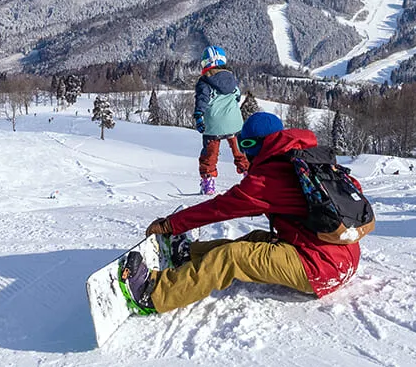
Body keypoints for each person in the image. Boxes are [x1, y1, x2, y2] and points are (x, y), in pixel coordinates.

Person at [119, 112, 361, 313]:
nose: (244, 152)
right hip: (344, 257)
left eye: (246, 144)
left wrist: (171, 225)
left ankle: (156, 293)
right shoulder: (308, 161)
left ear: (260, 144)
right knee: (256, 240)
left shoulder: (270, 177)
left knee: (233, 257)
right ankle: (189, 255)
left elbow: (219, 208)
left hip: (320, 268)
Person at [193, 46, 248, 195]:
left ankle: (208, 182)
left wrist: (198, 116)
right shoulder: (231, 79)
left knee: (210, 154)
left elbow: (202, 101)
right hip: (234, 123)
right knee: (240, 151)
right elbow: (237, 96)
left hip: (214, 125)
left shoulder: (204, 82)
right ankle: (248, 174)